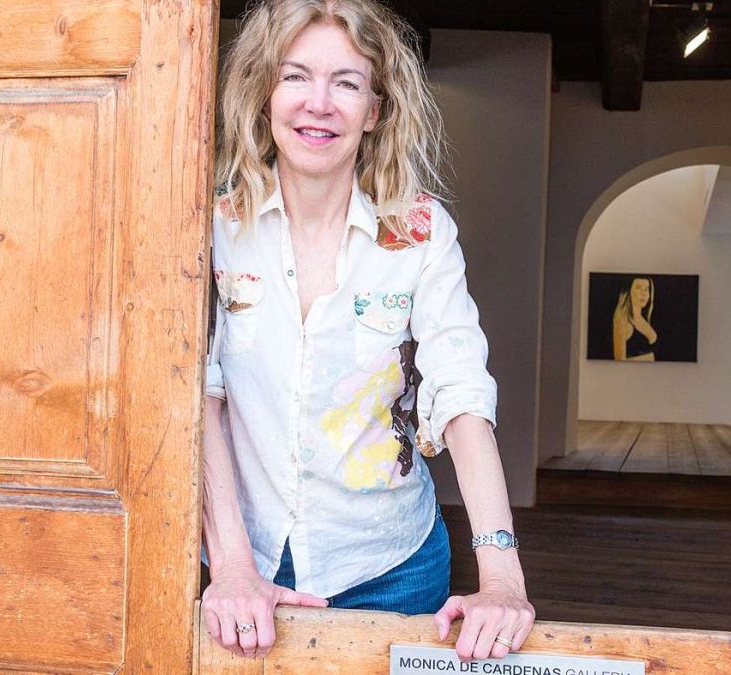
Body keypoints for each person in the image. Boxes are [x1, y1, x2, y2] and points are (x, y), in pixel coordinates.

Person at [201, 0, 533, 663]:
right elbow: (196, 394)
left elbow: (461, 394)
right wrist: (232, 565)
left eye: (347, 83)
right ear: (265, 92)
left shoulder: (420, 231)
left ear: (375, 110)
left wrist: (501, 577)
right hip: (244, 560)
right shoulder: (214, 226)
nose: (318, 103)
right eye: (295, 76)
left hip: (393, 565)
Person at [611, 276, 657, 361]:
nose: (643, 293)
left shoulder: (645, 318)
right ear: (628, 291)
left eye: (646, 289)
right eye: (638, 288)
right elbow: (619, 360)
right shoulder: (622, 319)